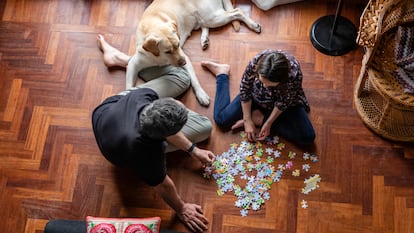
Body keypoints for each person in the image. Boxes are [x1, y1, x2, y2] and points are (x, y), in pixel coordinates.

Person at [92, 34, 215, 233]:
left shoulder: (143, 95)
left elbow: (163, 128)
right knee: (204, 127)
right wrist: (182, 208)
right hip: (118, 149)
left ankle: (121, 59)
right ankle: (125, 61)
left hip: (111, 107)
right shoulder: (149, 153)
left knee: (182, 77)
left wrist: (194, 151)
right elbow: (164, 185)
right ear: (165, 136)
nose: (180, 102)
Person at [201, 49, 315, 145]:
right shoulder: (257, 61)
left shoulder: (293, 75)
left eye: (270, 85)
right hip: (255, 97)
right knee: (221, 119)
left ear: (282, 81)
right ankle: (222, 73)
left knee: (308, 137)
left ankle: (259, 119)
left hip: (285, 102)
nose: (265, 86)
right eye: (262, 81)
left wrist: (267, 122)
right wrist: (247, 120)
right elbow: (245, 89)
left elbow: (283, 102)